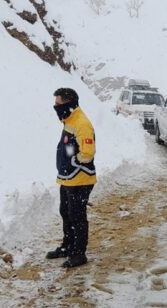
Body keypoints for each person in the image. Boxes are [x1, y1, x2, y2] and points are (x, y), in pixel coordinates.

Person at [46, 88, 97, 268]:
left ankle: (79, 253)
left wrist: (74, 161)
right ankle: (68, 245)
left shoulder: (81, 123)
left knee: (77, 216)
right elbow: (70, 146)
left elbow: (88, 152)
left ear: (69, 103)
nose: (56, 107)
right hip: (67, 179)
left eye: (58, 104)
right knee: (66, 212)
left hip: (80, 179)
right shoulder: (70, 119)